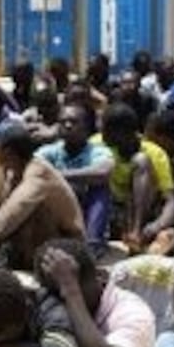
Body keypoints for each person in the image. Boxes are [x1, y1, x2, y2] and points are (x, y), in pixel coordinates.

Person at [0, 128, 84, 272]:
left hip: (66, 243)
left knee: (31, 213)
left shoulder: (38, 173)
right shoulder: (14, 173)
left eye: (0, 152)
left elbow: (17, 207)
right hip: (41, 243)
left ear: (10, 153)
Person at [35, 101, 115, 251]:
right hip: (58, 215)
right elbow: (32, 170)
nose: (67, 125)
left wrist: (58, 175)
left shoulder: (98, 151)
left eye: (73, 122)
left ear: (86, 127)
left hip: (85, 212)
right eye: (63, 122)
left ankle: (92, 244)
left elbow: (103, 173)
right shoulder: (49, 151)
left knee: (100, 188)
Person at [98, 103, 174, 250]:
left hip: (144, 213)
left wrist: (157, 225)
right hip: (113, 211)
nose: (101, 132)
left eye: (105, 129)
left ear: (121, 132)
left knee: (141, 161)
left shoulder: (156, 153)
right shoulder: (98, 145)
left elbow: (170, 201)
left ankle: (136, 232)